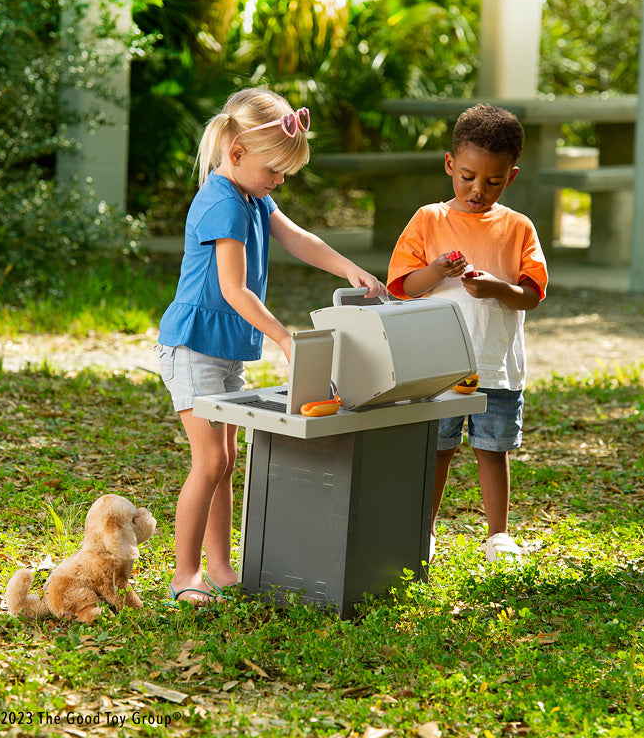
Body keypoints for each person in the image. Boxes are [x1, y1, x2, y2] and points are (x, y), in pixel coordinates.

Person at [156, 88, 386, 605]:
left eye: (284, 174)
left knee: (226, 461)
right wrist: (284, 337)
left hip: (224, 348)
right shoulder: (222, 201)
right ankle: (184, 574)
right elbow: (233, 288)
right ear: (236, 154)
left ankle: (218, 566)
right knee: (209, 461)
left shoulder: (254, 196)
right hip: (193, 346)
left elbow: (299, 238)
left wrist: (345, 266)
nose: (279, 182)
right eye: (274, 171)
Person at [386, 104, 548, 562]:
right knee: (435, 451)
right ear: (449, 165)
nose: (478, 190)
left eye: (493, 182)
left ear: (510, 177)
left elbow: (530, 294)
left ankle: (498, 535)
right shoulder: (428, 219)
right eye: (468, 177)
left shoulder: (518, 227)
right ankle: (424, 530)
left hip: (494, 363)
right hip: (436, 367)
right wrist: (437, 269)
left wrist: (497, 287)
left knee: (492, 449)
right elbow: (404, 289)